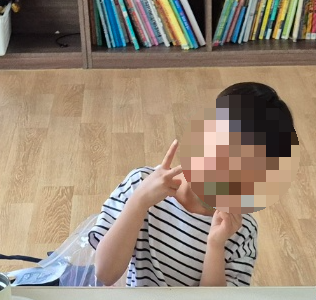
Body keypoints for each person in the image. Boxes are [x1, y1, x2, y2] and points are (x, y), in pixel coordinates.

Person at [90, 82, 298, 287]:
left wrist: (215, 245)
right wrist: (139, 202)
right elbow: (105, 274)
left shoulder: (241, 231)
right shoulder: (142, 184)